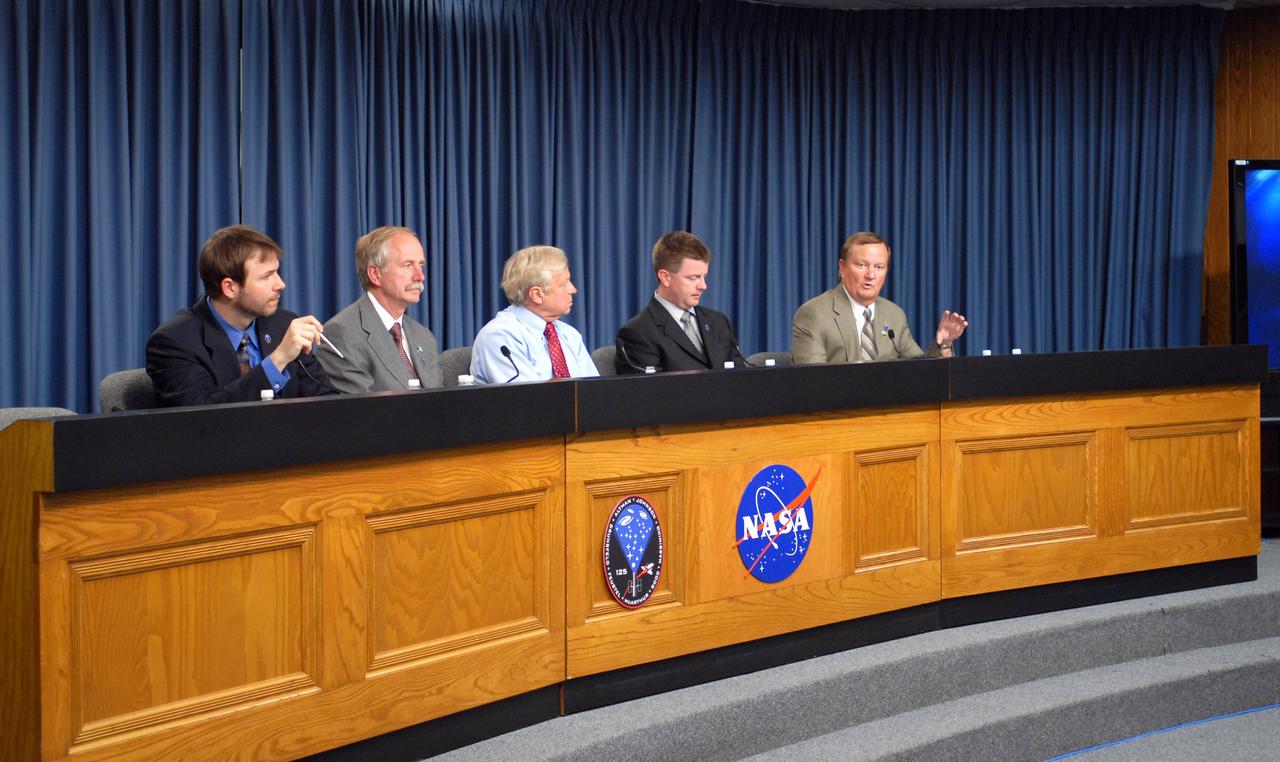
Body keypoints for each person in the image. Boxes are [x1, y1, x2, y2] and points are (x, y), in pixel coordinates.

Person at [146, 224, 338, 406]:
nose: (280, 284)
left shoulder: (284, 324)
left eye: (276, 272)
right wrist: (278, 360)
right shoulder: (175, 342)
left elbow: (326, 403)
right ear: (229, 287)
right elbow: (203, 422)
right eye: (266, 276)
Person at [791, 231, 967, 364]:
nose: (870, 275)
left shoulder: (894, 314)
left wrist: (943, 344)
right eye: (861, 265)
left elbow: (918, 370)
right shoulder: (814, 314)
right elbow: (811, 382)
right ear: (842, 268)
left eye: (879, 267)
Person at [317, 226, 441, 393]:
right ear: (375, 275)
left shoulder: (423, 336)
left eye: (420, 265)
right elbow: (365, 413)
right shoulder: (342, 335)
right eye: (407, 265)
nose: (420, 276)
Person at [614, 231, 746, 373]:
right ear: (665, 278)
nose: (703, 285)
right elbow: (648, 393)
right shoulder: (638, 333)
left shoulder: (718, 322)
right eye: (693, 278)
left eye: (704, 276)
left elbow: (739, 380)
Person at [470, 245, 599, 384]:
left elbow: (594, 391)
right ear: (537, 294)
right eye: (563, 284)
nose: (573, 289)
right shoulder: (499, 337)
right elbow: (528, 399)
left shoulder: (569, 335)